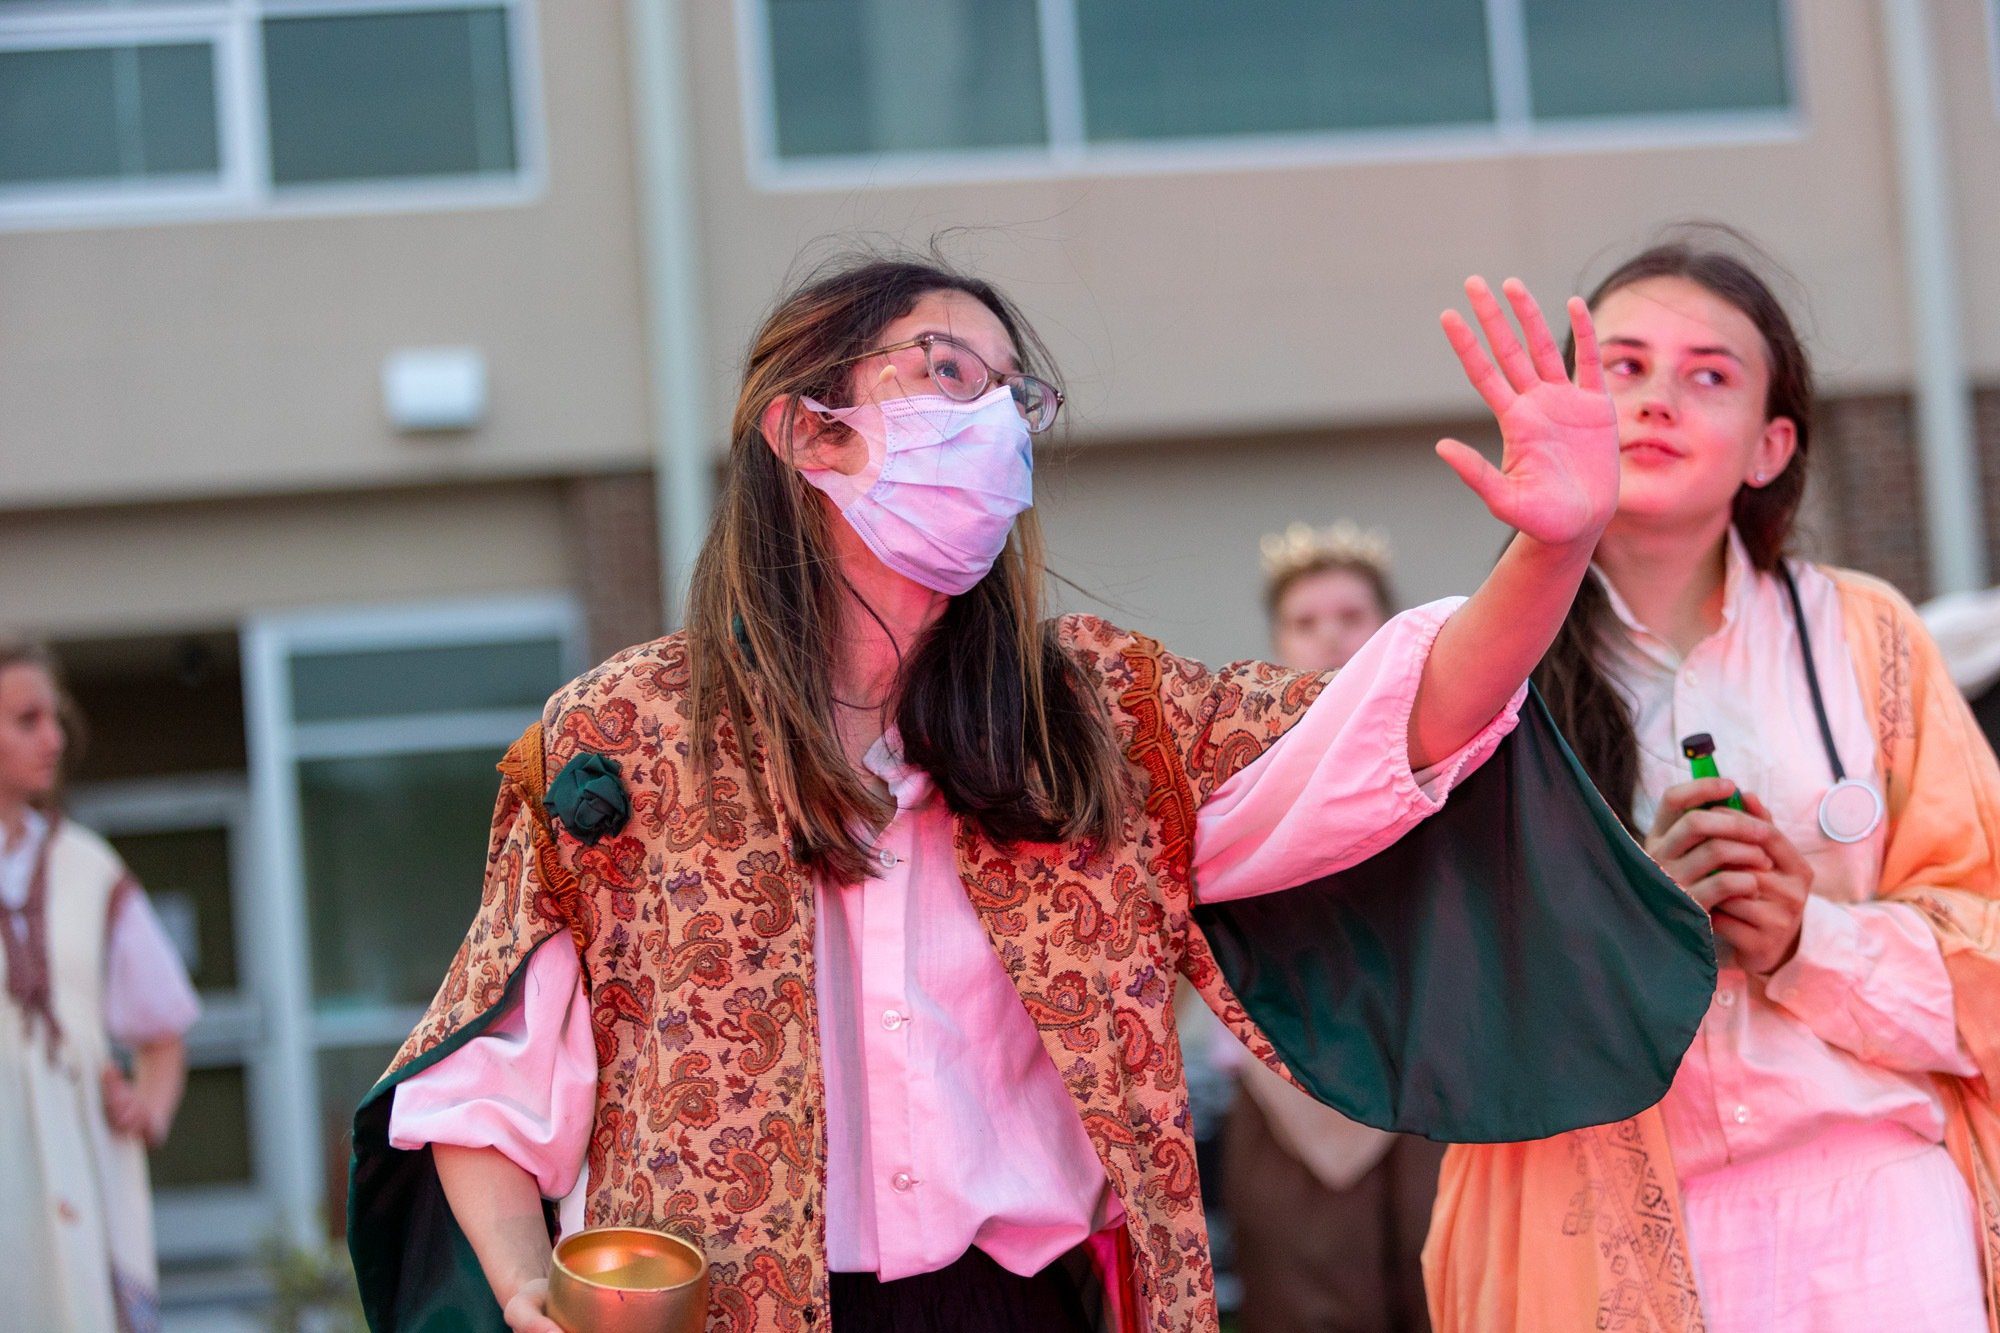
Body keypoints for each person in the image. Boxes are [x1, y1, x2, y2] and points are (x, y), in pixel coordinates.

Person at [348, 254, 1715, 1333]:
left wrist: (1551, 549)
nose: (993, 420)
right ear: (806, 430)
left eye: (1014, 395)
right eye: (946, 372)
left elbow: (1389, 733)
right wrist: (531, 1284)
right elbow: (489, 1072)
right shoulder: (622, 735)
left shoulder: (1095, 715)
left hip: (1025, 1304)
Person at [1424, 236, 2000, 1333]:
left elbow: (1982, 961)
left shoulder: (1866, 636)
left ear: (1768, 446)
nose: (1654, 402)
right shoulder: (1479, 662)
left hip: (1881, 1211)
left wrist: (1802, 937)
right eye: (1622, 367)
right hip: (1605, 1235)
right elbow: (1441, 995)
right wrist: (1643, 921)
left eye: (1707, 376)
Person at [1221, 522, 1441, 1333]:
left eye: (1350, 615)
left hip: (1432, 1088)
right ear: (1278, 640)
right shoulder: (1232, 771)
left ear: (1388, 625)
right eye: (1306, 621)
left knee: (1453, 1299)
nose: (1329, 635)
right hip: (1289, 1098)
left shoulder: (1455, 750)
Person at [0, 639, 200, 1332]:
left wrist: (147, 1105)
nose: (53, 738)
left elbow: (164, 1027)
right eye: (27, 720)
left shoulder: (90, 870)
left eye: (55, 718)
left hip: (80, 1178)